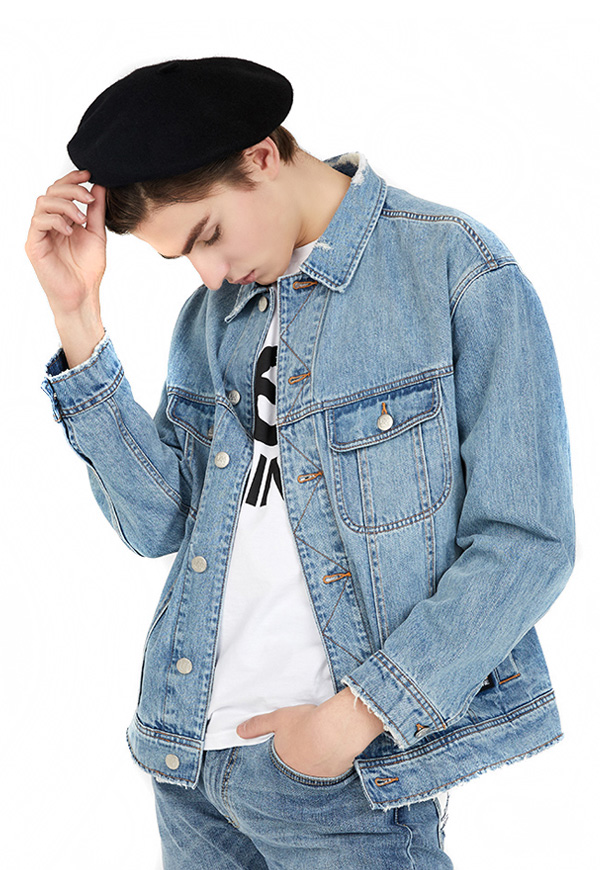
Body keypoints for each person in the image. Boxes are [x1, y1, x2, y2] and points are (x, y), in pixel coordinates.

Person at [25, 57, 576, 869]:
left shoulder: (456, 270)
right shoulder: (213, 316)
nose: (210, 274)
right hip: (188, 761)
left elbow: (528, 541)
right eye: (183, 260)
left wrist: (350, 723)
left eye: (208, 236)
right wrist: (77, 318)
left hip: (340, 779)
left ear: (261, 156)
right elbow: (157, 525)